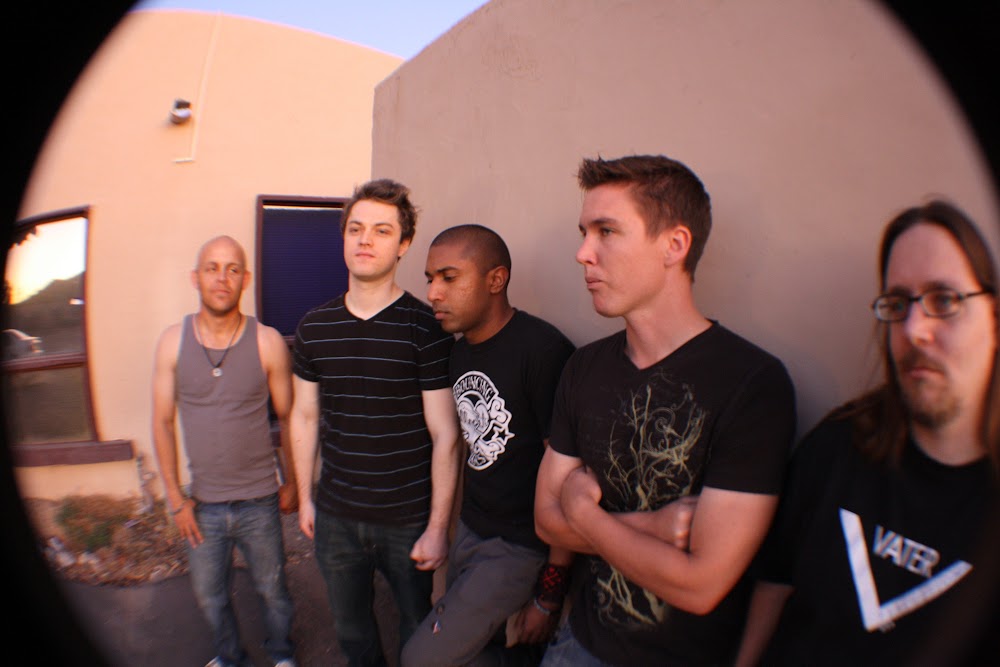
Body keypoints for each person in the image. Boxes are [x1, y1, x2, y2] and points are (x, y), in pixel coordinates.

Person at [534, 154, 797, 666]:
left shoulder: (751, 384)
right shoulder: (583, 368)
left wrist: (584, 513)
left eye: (607, 231)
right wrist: (654, 529)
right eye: (584, 233)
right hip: (578, 645)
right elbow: (546, 522)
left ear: (674, 245)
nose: (583, 253)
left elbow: (700, 585)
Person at [734, 200, 1000, 666]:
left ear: (994, 319)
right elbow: (775, 583)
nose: (914, 330)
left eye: (944, 300)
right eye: (897, 304)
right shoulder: (839, 444)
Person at [289, 178, 461, 667]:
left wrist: (437, 527)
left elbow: (445, 435)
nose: (365, 240)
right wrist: (305, 497)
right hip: (336, 516)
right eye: (356, 229)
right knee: (351, 630)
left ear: (404, 244)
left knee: (416, 627)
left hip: (407, 519)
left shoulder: (425, 329)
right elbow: (304, 416)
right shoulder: (314, 327)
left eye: (382, 230)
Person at [401, 224, 576, 667]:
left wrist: (550, 594)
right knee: (476, 648)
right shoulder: (458, 354)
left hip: (519, 545)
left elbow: (569, 477)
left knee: (421, 659)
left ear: (496, 280)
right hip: (470, 531)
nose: (433, 293)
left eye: (449, 277)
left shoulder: (542, 350)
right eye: (430, 279)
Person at [152, 235, 299, 667]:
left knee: (273, 590)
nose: (222, 277)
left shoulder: (267, 342)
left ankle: (282, 654)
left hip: (260, 500)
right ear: (195, 278)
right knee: (209, 595)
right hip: (202, 506)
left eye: (232, 269)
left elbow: (288, 418)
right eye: (212, 268)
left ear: (245, 279)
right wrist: (175, 498)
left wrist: (293, 482)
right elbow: (161, 422)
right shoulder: (172, 342)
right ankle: (231, 658)